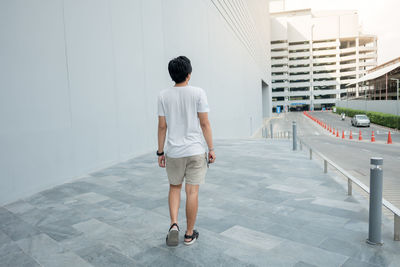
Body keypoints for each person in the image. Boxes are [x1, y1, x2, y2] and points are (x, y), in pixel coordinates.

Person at [157, 56, 216, 246]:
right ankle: (189, 235)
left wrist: (160, 152)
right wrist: (211, 148)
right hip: (195, 150)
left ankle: (174, 225)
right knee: (192, 192)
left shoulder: (163, 95)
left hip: (174, 151)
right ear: (189, 74)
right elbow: (205, 123)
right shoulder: (198, 93)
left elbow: (162, 126)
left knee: (175, 188)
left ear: (172, 75)